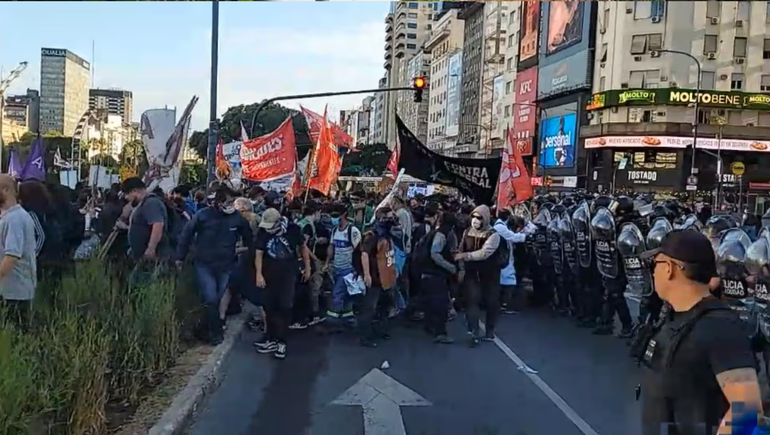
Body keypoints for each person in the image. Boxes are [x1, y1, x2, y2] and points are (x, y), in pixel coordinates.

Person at [639, 230, 763, 434]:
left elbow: (747, 410)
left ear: (669, 268)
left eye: (656, 264)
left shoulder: (719, 327)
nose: (653, 272)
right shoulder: (673, 316)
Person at [175, 186, 253, 345]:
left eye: (233, 202)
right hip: (204, 264)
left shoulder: (237, 218)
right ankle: (216, 333)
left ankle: (207, 328)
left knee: (216, 299)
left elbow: (249, 237)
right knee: (211, 298)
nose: (231, 205)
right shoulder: (203, 216)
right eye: (229, 202)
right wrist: (180, 257)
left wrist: (246, 253)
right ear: (218, 201)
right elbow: (186, 234)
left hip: (226, 264)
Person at [254, 208, 311, 359]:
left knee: (284, 307)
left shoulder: (292, 230)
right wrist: (259, 274)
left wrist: (307, 267)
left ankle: (282, 341)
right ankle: (271, 338)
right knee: (269, 307)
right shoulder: (263, 233)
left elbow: (303, 248)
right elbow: (258, 253)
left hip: (288, 274)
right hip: (269, 274)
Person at [455, 205, 503, 347]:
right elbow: (461, 248)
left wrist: (464, 256)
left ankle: (489, 330)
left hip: (490, 274)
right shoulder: (467, 232)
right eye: (474, 217)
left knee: (491, 302)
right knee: (472, 302)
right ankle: (473, 332)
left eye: (479, 218)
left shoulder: (493, 235)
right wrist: (461, 268)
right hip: (471, 274)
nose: (475, 220)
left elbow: (484, 253)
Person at [356, 207, 398, 347]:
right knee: (370, 308)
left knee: (384, 306)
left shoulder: (386, 234)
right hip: (375, 277)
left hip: (386, 277)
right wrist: (367, 274)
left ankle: (381, 330)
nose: (392, 220)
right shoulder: (372, 235)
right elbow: (364, 254)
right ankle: (365, 337)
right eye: (389, 217)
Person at [0, 174, 38, 329]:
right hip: (11, 291)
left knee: (14, 337)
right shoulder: (10, 217)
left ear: (6, 190)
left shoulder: (15, 219)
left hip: (14, 293)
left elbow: (11, 256)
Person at [121, 177, 171, 285]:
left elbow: (157, 225)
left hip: (154, 255)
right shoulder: (143, 204)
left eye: (127, 194)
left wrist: (151, 248)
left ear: (134, 191)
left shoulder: (151, 203)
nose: (126, 198)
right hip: (144, 256)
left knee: (143, 284)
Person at [325, 202, 362, 327]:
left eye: (336, 216)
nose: (334, 218)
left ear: (344, 214)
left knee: (337, 294)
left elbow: (359, 251)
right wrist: (327, 262)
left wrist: (357, 268)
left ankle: (332, 320)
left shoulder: (353, 231)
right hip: (337, 268)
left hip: (348, 269)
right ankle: (349, 318)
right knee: (346, 295)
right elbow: (331, 247)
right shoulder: (335, 230)